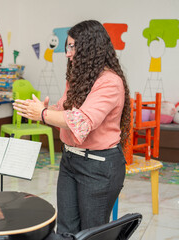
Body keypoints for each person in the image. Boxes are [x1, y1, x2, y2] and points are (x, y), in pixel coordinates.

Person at [13, 20, 131, 237]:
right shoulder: (79, 77)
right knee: (66, 230)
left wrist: (42, 114)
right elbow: (65, 110)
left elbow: (81, 121)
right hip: (70, 160)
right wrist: (45, 109)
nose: (67, 53)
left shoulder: (110, 82)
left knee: (91, 233)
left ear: (90, 48)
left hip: (99, 167)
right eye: (67, 47)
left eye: (72, 47)